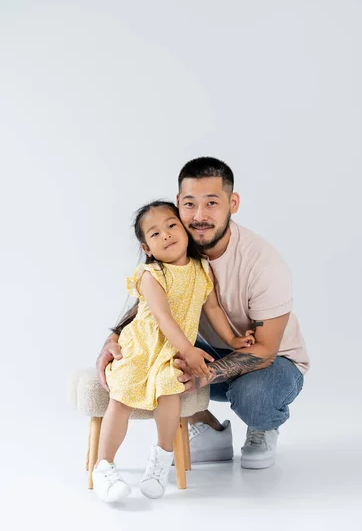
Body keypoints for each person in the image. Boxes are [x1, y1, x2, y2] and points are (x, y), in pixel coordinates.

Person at [97, 157, 309, 474]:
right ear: (178, 205)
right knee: (159, 355)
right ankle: (208, 429)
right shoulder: (177, 249)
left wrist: (203, 374)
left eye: (211, 203)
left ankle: (262, 426)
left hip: (272, 360)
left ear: (232, 203)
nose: (199, 216)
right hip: (203, 351)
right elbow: (155, 308)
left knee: (255, 395)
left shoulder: (263, 264)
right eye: (189, 204)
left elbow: (264, 350)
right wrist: (113, 339)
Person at [93, 200, 255, 503]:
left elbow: (213, 308)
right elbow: (163, 317)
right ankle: (104, 467)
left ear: (184, 228)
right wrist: (190, 350)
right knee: (122, 396)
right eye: (155, 234)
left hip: (171, 353)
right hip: (141, 346)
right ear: (147, 247)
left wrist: (233, 341)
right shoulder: (150, 274)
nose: (166, 234)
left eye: (171, 225)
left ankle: (161, 459)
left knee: (170, 391)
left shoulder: (201, 269)